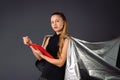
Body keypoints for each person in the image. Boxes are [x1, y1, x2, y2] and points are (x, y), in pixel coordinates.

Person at [23, 12, 70, 80]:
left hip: (57, 75)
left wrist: (42, 56)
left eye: (57, 21)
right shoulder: (48, 38)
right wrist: (30, 44)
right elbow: (40, 57)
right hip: (45, 74)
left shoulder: (67, 40)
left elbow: (60, 63)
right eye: (52, 22)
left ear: (63, 22)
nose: (54, 24)